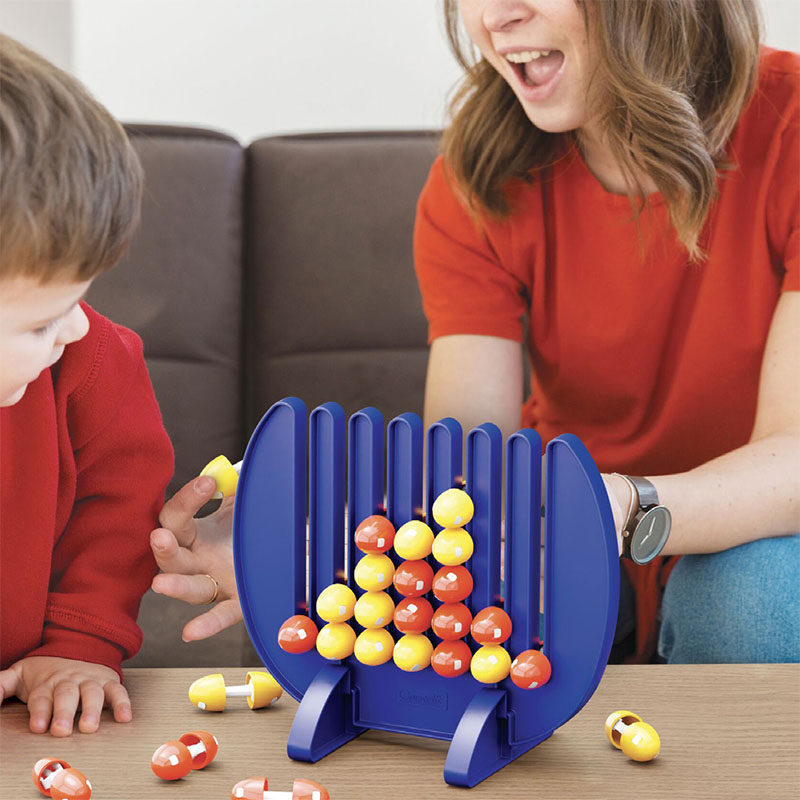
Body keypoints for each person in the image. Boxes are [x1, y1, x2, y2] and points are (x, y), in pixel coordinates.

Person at [151, 0, 799, 664]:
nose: (495, 16)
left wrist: (621, 507)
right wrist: (318, 555)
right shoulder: (479, 171)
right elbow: (464, 461)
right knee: (451, 608)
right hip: (562, 524)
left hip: (751, 525)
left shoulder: (790, 122)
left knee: (751, 604)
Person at [0, 35, 173, 736]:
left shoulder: (89, 358)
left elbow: (118, 507)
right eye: (41, 321)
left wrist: (77, 640)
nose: (75, 328)